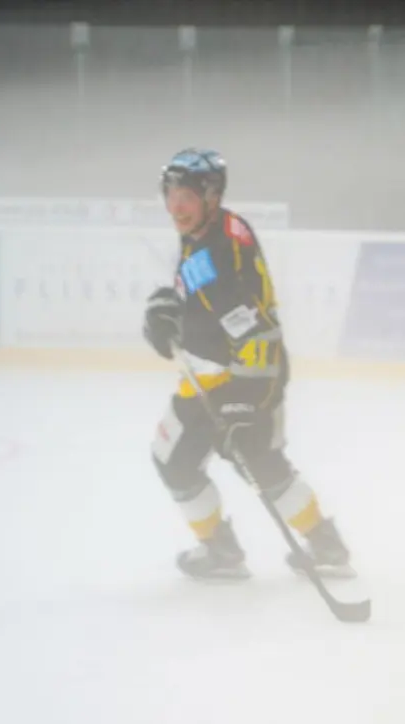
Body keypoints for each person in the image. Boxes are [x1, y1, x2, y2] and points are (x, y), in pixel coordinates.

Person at [142, 148, 353, 580]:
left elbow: (257, 334)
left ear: (212, 195)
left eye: (186, 196)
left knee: (260, 462)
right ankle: (220, 550)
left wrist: (245, 400)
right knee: (174, 461)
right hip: (205, 373)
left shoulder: (222, 255)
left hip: (251, 376)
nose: (176, 207)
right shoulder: (208, 228)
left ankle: (325, 545)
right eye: (171, 195)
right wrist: (170, 315)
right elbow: (205, 302)